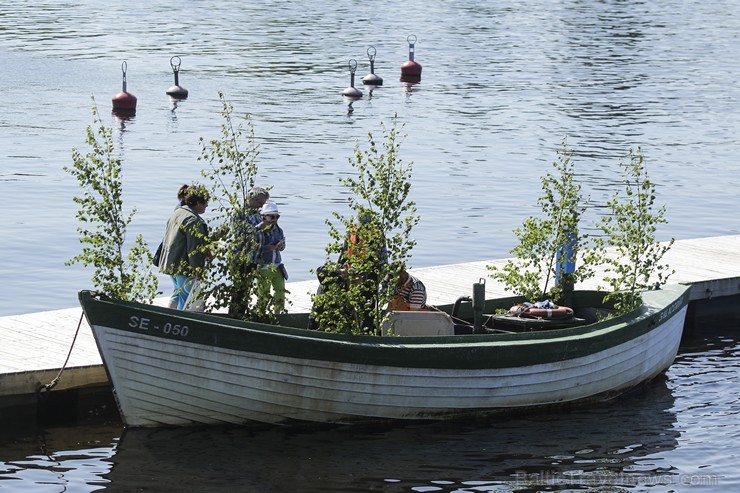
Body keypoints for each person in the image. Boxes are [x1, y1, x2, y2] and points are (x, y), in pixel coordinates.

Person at [158, 184, 210, 310]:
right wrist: (198, 270)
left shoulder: (178, 213)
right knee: (186, 297)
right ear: (198, 202)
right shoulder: (193, 220)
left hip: (170, 262)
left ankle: (170, 317)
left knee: (177, 292)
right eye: (205, 203)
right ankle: (180, 322)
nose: (207, 206)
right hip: (183, 265)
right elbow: (194, 250)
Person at [229, 186, 270, 316]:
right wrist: (259, 227)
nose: (260, 206)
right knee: (239, 290)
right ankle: (235, 316)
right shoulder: (239, 213)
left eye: (263, 204)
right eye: (259, 203)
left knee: (246, 291)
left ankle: (242, 313)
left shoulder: (258, 214)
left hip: (254, 258)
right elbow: (240, 234)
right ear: (251, 199)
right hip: (241, 257)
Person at [254, 202, 287, 314]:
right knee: (263, 293)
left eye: (277, 216)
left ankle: (278, 314)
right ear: (264, 217)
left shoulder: (279, 230)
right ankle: (261, 314)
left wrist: (280, 245)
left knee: (280, 291)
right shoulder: (258, 230)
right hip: (263, 266)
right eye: (272, 216)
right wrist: (267, 248)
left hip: (277, 265)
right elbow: (253, 249)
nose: (275, 219)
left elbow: (283, 245)